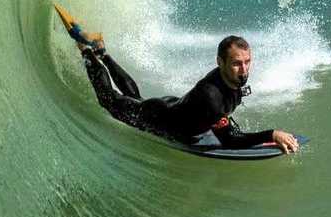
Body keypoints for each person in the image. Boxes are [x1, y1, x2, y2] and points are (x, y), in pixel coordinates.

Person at [79, 33, 300, 153]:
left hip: (175, 107)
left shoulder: (233, 78)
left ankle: (103, 53)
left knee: (135, 98)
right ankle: (88, 52)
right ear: (219, 62)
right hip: (155, 117)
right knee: (109, 100)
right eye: (236, 64)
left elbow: (222, 115)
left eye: (247, 62)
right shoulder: (210, 96)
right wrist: (270, 134)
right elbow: (229, 141)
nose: (244, 70)